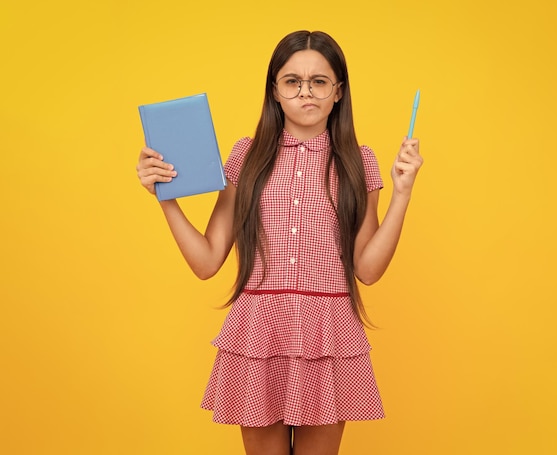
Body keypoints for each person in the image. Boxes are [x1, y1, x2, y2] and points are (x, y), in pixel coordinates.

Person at [136, 30, 423, 455]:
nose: (306, 92)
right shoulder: (246, 156)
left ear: (338, 91)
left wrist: (402, 195)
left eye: (319, 81)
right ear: (274, 90)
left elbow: (368, 269)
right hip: (257, 331)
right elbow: (206, 261)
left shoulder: (359, 162)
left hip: (328, 334)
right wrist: (166, 200)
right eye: (292, 81)